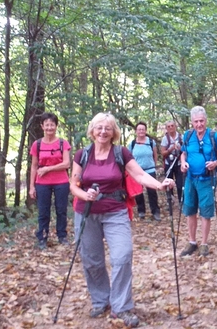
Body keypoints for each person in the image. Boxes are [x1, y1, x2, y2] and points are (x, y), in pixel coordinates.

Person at [70, 112, 174, 327]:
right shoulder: (82, 154)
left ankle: (121, 306)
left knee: (122, 255)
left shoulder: (121, 153)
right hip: (86, 211)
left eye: (107, 128)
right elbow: (73, 185)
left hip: (115, 210)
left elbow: (140, 175)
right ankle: (100, 300)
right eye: (99, 127)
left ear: (113, 132)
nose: (103, 131)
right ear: (92, 130)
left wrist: (159, 184)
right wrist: (84, 195)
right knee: (92, 260)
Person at [180, 106, 217, 257]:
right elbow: (183, 154)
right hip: (190, 179)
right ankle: (192, 242)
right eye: (196, 121)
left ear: (206, 121)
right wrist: (183, 163)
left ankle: (204, 243)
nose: (199, 124)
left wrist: (215, 163)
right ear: (192, 122)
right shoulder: (187, 135)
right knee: (189, 210)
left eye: (202, 121)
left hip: (207, 179)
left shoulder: (213, 136)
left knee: (205, 211)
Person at [29, 112, 71, 250]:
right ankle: (42, 237)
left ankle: (62, 236)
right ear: (42, 126)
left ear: (56, 126)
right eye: (46, 125)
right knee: (43, 211)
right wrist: (31, 187)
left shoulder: (62, 143)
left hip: (61, 181)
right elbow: (34, 166)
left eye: (52, 124)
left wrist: (47, 169)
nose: (49, 128)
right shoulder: (37, 144)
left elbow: (66, 164)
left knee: (61, 210)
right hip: (42, 183)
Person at [128, 121, 161, 221]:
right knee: (138, 192)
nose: (141, 131)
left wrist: (154, 166)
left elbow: (155, 155)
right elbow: (129, 158)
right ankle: (141, 211)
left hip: (150, 170)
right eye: (139, 129)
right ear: (136, 131)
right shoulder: (132, 144)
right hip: (137, 172)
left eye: (143, 129)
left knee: (152, 192)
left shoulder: (151, 142)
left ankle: (155, 211)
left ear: (145, 130)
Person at [160, 120, 184, 203]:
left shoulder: (181, 137)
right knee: (168, 184)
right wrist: (171, 149)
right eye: (168, 126)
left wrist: (180, 148)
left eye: (172, 126)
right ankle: (170, 200)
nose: (170, 128)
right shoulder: (165, 139)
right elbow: (163, 153)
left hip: (179, 163)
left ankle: (181, 201)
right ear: (166, 128)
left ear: (175, 126)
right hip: (168, 164)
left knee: (180, 183)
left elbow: (186, 151)